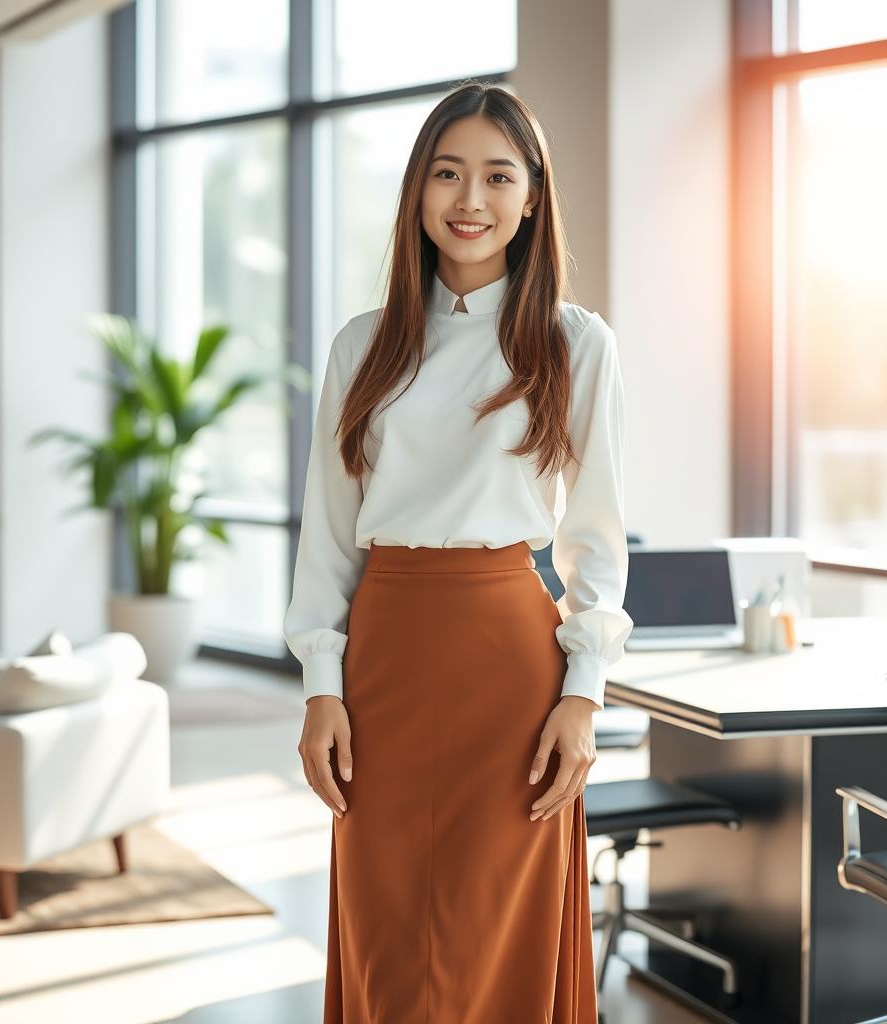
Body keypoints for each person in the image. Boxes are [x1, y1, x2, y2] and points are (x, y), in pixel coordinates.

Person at [284, 81, 634, 1024]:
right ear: (417, 192)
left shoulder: (573, 342)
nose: (469, 199)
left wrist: (583, 695)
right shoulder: (363, 348)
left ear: (531, 199)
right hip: (383, 653)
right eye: (447, 173)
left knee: (496, 925)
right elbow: (327, 533)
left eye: (496, 175)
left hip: (511, 663)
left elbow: (595, 539)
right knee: (387, 923)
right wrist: (323, 683)